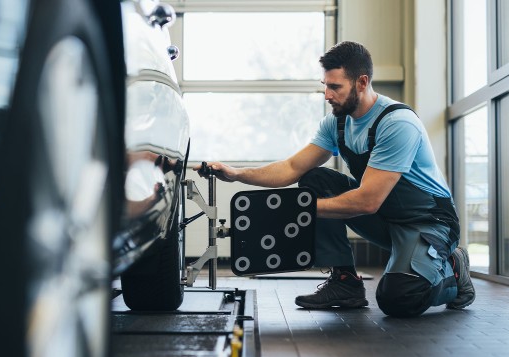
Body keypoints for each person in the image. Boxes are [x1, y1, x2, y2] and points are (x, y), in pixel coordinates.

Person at [195, 41, 475, 317]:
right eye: (325, 85)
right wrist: (236, 174)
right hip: (385, 218)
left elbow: (368, 200)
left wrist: (299, 208)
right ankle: (345, 283)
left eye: (335, 87)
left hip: (429, 222)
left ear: (362, 82)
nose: (327, 94)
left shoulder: (397, 123)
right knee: (314, 179)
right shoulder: (337, 123)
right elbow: (292, 167)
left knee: (399, 297)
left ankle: (453, 270)